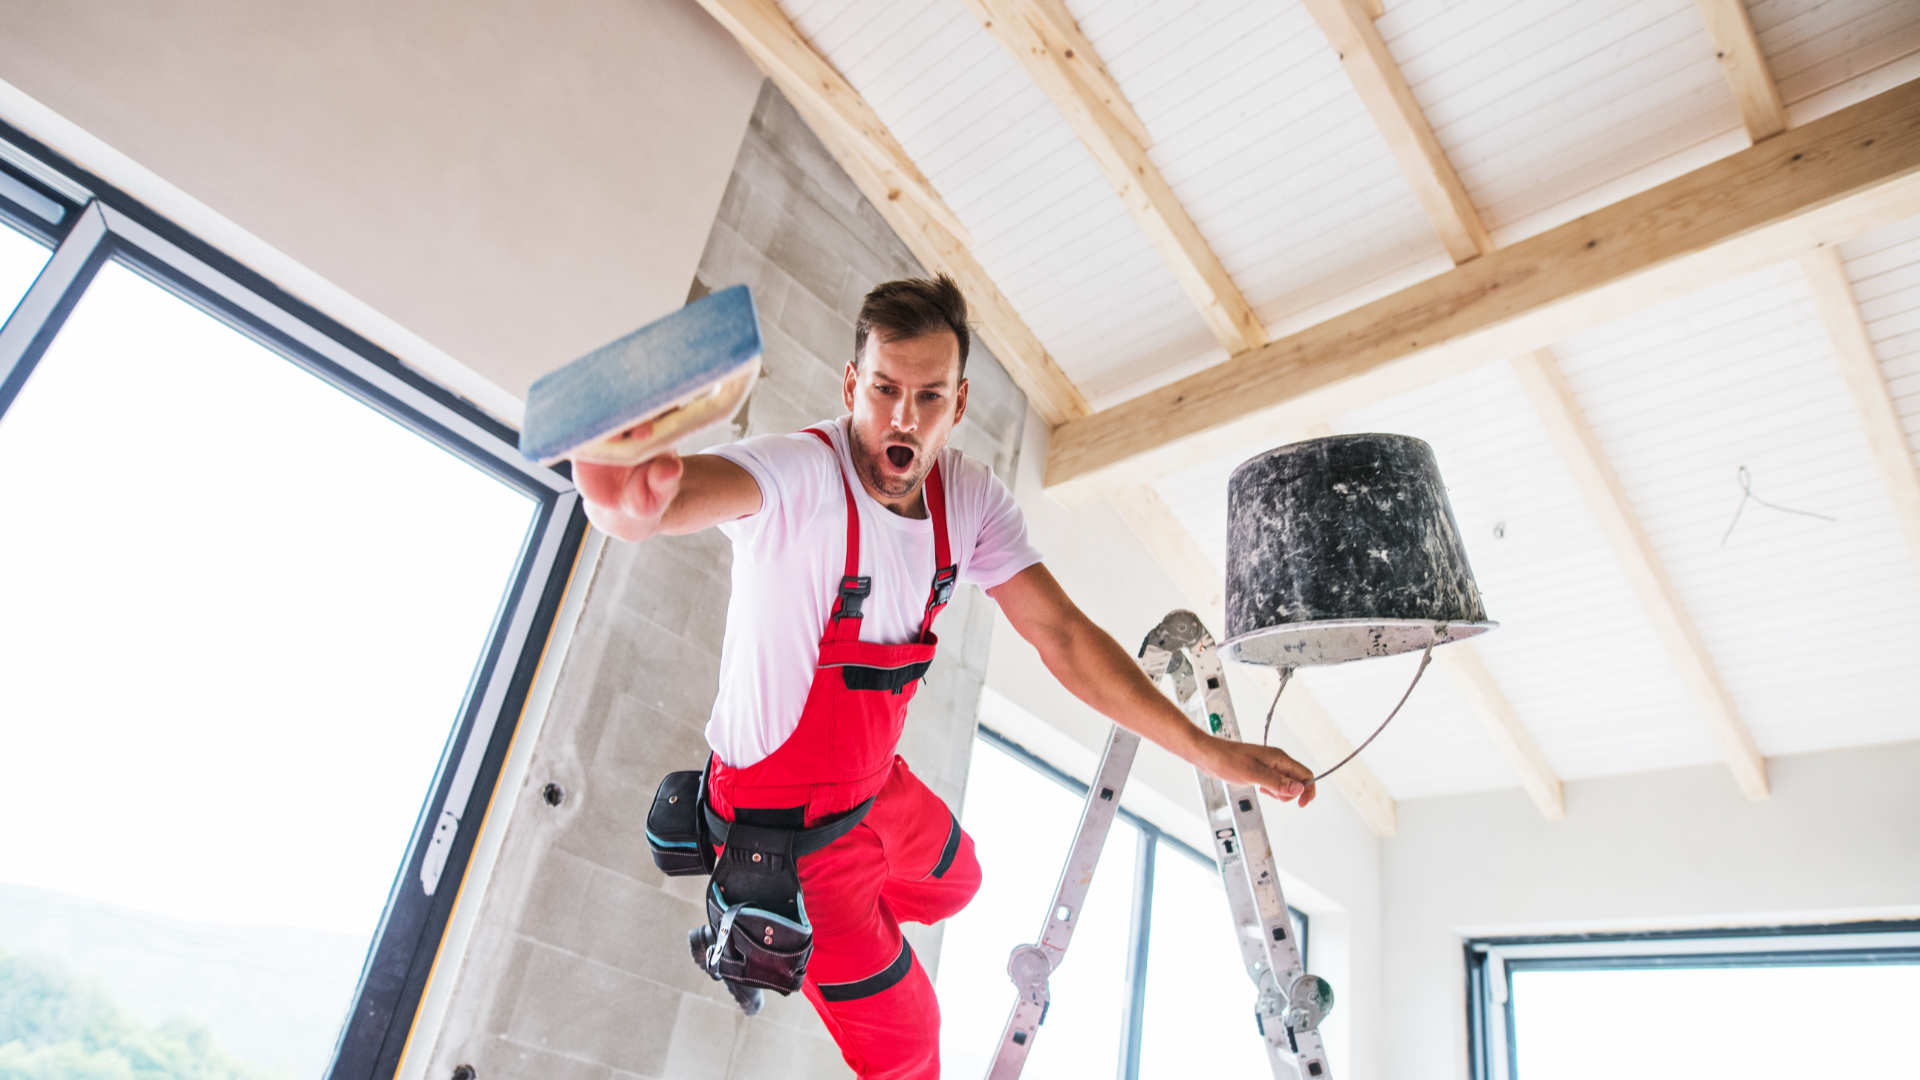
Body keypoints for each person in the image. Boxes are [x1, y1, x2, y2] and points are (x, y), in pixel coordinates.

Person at [574, 274, 1316, 1080]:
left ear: (957, 405)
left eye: (928, 397)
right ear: (852, 384)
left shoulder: (968, 499)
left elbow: (1063, 635)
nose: (903, 418)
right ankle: (761, 924)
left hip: (871, 792)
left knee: (956, 883)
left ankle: (773, 948)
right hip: (787, 835)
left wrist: (1218, 755)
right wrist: (623, 493)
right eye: (885, 389)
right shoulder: (800, 477)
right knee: (911, 1049)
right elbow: (663, 500)